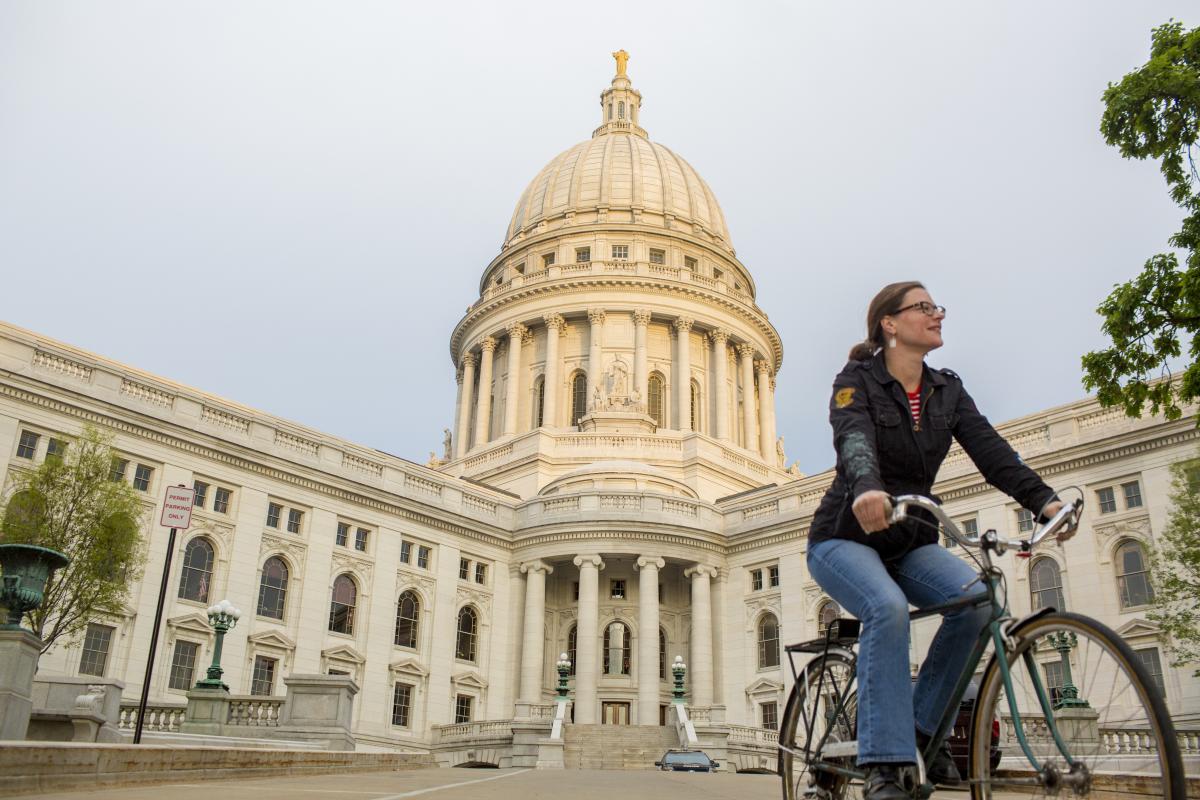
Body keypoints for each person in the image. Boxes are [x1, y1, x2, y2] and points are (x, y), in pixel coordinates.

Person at [807, 281, 1068, 799]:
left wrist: (1045, 500)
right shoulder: (856, 379)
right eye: (923, 308)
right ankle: (883, 762)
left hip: (910, 538)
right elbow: (852, 435)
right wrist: (867, 487)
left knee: (978, 603)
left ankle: (924, 734)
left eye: (937, 307)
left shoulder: (947, 390)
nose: (937, 315)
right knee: (886, 608)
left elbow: (991, 452)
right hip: (846, 536)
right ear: (890, 323)